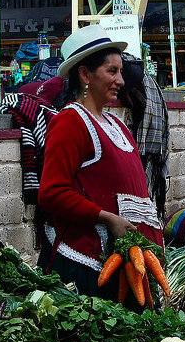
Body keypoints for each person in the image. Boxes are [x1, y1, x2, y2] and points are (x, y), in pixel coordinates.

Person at [37, 24, 163, 298]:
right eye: (112, 71)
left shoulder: (116, 123)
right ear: (85, 74)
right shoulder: (70, 122)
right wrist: (107, 218)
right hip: (87, 266)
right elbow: (51, 193)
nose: (121, 80)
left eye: (121, 71)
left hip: (127, 267)